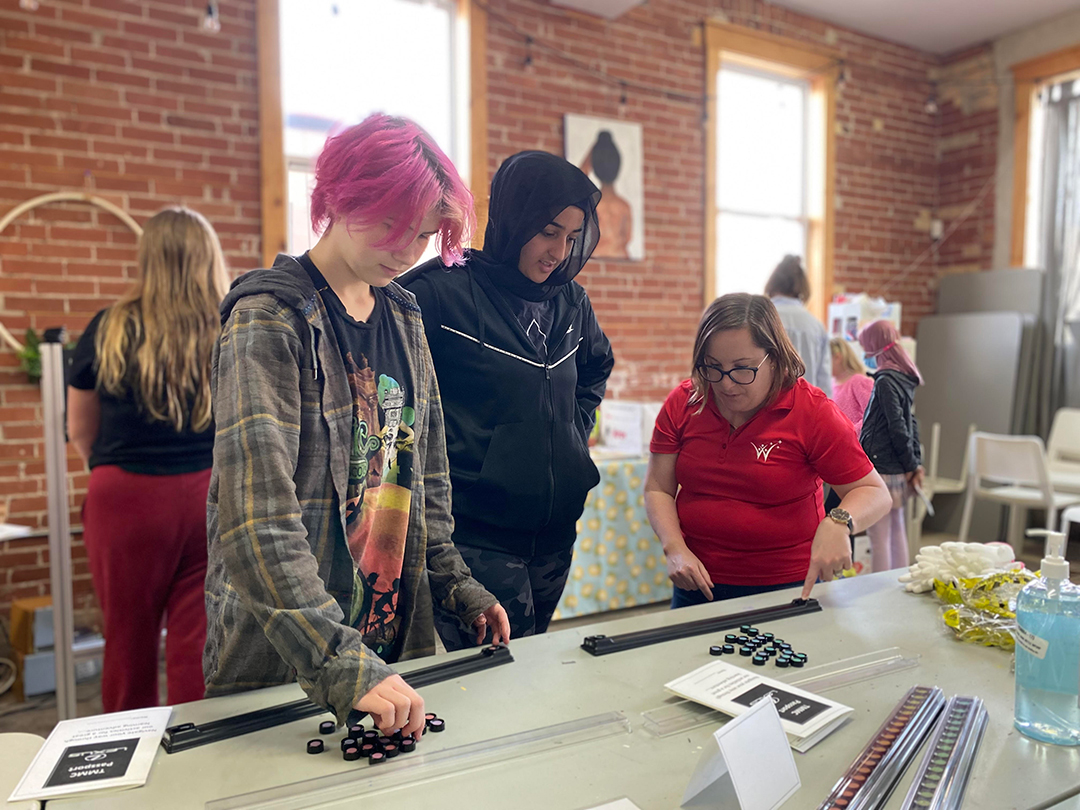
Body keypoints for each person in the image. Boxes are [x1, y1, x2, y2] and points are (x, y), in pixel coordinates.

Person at [203, 114, 509, 737]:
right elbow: (256, 523)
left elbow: (422, 478)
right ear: (341, 197)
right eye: (393, 226)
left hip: (392, 646)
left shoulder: (403, 313)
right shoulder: (270, 319)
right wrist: (341, 663)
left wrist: (456, 585)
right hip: (293, 658)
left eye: (422, 235)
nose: (405, 250)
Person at [402, 151, 614, 647]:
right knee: (490, 683)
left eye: (571, 236)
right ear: (512, 219)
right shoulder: (438, 295)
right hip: (475, 539)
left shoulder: (570, 302)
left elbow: (596, 367)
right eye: (547, 231)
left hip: (555, 535)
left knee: (534, 665)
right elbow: (397, 395)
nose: (558, 251)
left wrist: (570, 433)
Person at [67, 207, 228, 712]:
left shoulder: (107, 327)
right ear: (209, 257)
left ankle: (124, 765)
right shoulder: (229, 325)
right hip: (208, 493)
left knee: (127, 641)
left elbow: (79, 429)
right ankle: (196, 757)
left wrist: (119, 472)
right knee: (197, 641)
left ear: (147, 258)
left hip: (125, 497)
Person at [644, 293, 891, 607]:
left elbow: (874, 492)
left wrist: (839, 521)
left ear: (773, 359)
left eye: (742, 369)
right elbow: (658, 488)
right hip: (698, 584)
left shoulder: (812, 411)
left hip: (788, 587)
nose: (726, 384)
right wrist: (674, 549)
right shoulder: (685, 401)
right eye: (713, 367)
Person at [858, 320, 924, 573]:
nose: (865, 355)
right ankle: (897, 582)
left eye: (866, 348)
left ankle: (880, 589)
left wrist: (911, 464)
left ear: (876, 347)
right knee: (897, 528)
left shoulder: (885, 381)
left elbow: (898, 426)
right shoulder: (904, 379)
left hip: (882, 465)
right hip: (896, 467)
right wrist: (913, 463)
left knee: (878, 534)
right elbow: (910, 423)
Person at [764, 255, 832, 396]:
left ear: (772, 284)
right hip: (807, 405)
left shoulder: (761, 319)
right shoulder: (816, 326)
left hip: (768, 405)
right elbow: (824, 382)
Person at [580, 131, 632, 259]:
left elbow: (578, 178)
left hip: (598, 257)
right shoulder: (624, 206)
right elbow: (628, 237)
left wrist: (593, 154)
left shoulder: (593, 202)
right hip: (621, 257)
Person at [830, 337, 875, 433]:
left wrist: (850, 432)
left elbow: (873, 415)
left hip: (854, 444)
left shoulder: (859, 381)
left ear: (838, 357)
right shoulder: (831, 384)